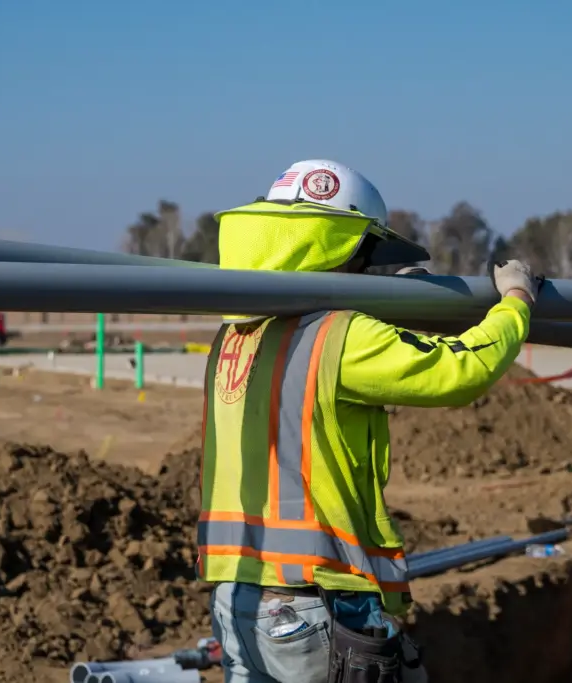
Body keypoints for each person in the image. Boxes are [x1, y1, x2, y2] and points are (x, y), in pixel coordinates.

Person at [199, 158, 541, 683]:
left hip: (236, 594)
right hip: (317, 598)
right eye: (366, 259)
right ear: (344, 249)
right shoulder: (343, 334)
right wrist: (515, 302)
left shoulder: (234, 334)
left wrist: (390, 308)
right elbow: (457, 371)